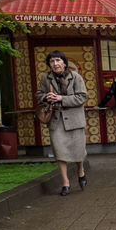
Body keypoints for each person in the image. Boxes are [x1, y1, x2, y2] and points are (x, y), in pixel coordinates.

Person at [39, 51, 88, 196]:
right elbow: (38, 94)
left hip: (74, 120)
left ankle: (81, 171)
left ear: (64, 63)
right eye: (52, 61)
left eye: (58, 60)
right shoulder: (45, 78)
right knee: (59, 152)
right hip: (56, 120)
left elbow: (82, 97)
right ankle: (65, 183)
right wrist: (46, 97)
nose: (55, 64)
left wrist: (61, 98)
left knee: (78, 151)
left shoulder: (76, 77)